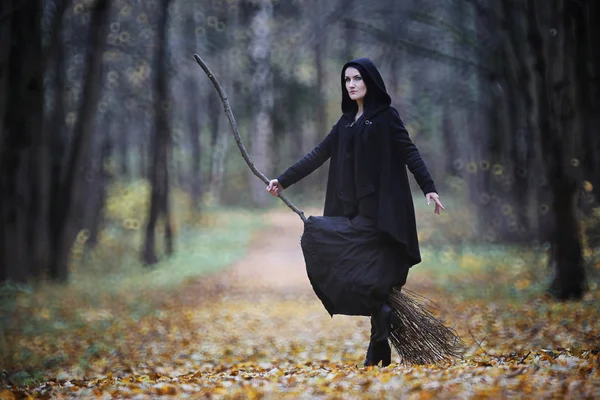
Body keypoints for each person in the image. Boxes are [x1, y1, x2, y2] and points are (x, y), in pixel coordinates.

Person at [266, 57, 444, 367]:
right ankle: (380, 340)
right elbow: (318, 154)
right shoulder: (345, 124)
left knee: (380, 280)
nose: (351, 84)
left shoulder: (387, 117)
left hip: (384, 217)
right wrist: (283, 180)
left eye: (357, 78)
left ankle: (378, 346)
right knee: (350, 263)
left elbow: (408, 151)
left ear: (370, 82)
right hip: (355, 215)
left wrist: (429, 187)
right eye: (347, 79)